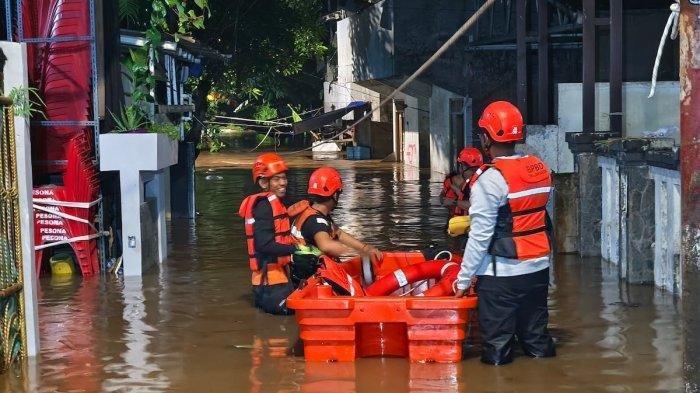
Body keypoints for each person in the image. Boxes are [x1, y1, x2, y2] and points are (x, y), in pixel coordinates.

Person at [454, 101, 556, 365]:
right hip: (538, 270)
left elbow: (480, 236)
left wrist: (463, 281)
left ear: (486, 137)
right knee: (537, 342)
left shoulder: (489, 179)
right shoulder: (539, 168)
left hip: (501, 277)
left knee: (498, 351)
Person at [238, 152, 315, 315]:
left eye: (284, 178)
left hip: (276, 279)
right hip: (270, 284)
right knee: (298, 314)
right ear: (264, 182)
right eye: (277, 179)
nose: (283, 183)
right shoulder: (264, 207)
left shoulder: (274, 204)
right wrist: (296, 250)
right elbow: (263, 244)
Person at [290, 166, 383, 263]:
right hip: (313, 274)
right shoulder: (316, 221)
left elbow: (338, 233)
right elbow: (325, 245)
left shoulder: (312, 210)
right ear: (335, 195)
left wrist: (364, 248)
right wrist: (347, 250)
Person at [440, 148, 484, 217]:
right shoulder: (450, 181)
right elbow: (442, 197)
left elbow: (478, 206)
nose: (474, 171)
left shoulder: (480, 183)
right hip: (456, 221)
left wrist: (453, 201)